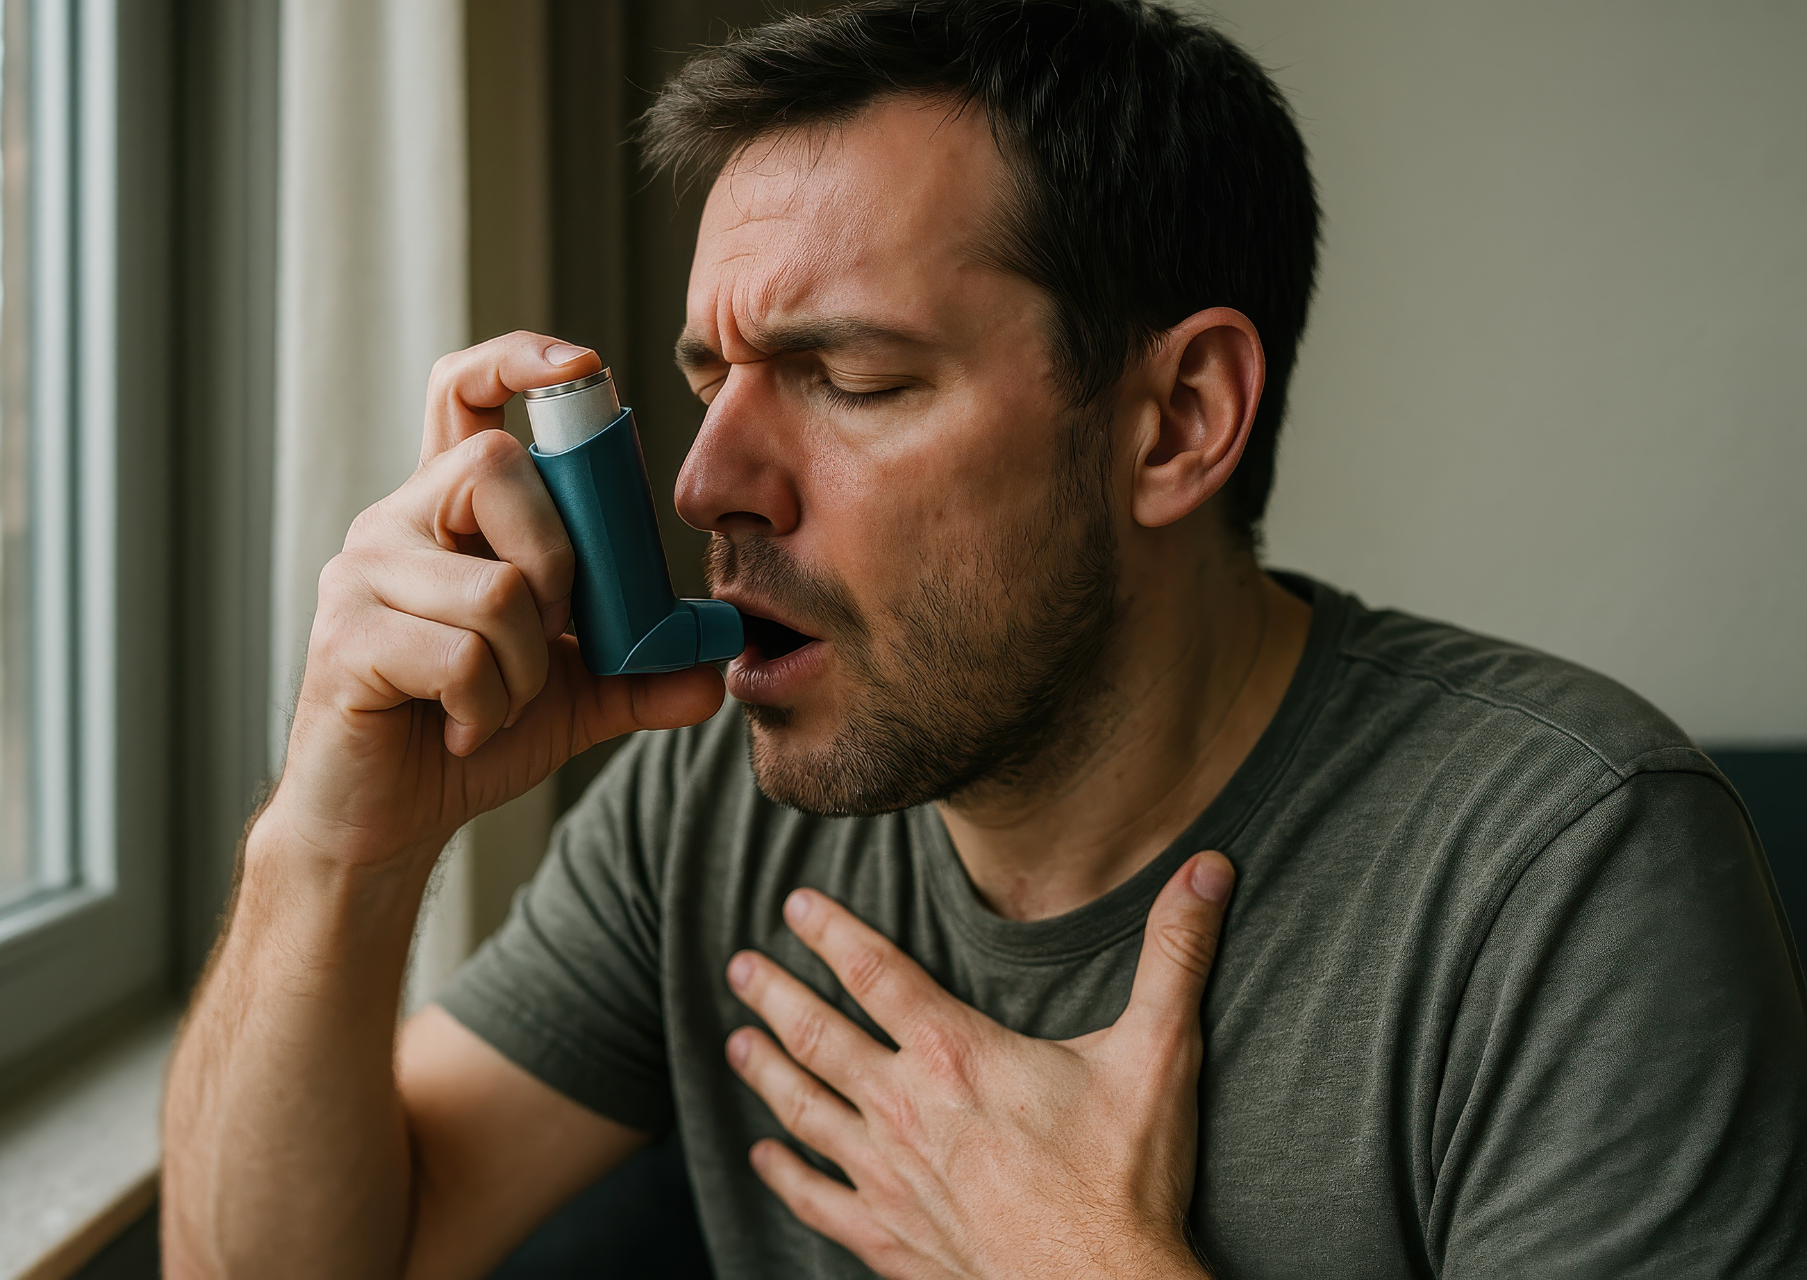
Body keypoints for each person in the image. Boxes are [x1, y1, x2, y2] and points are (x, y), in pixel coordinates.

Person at [160, 2, 1807, 1277]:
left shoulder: (1574, 879)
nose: (709, 477)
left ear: (1177, 420)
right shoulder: (710, 802)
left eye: (853, 380)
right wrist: (336, 842)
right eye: (709, 378)